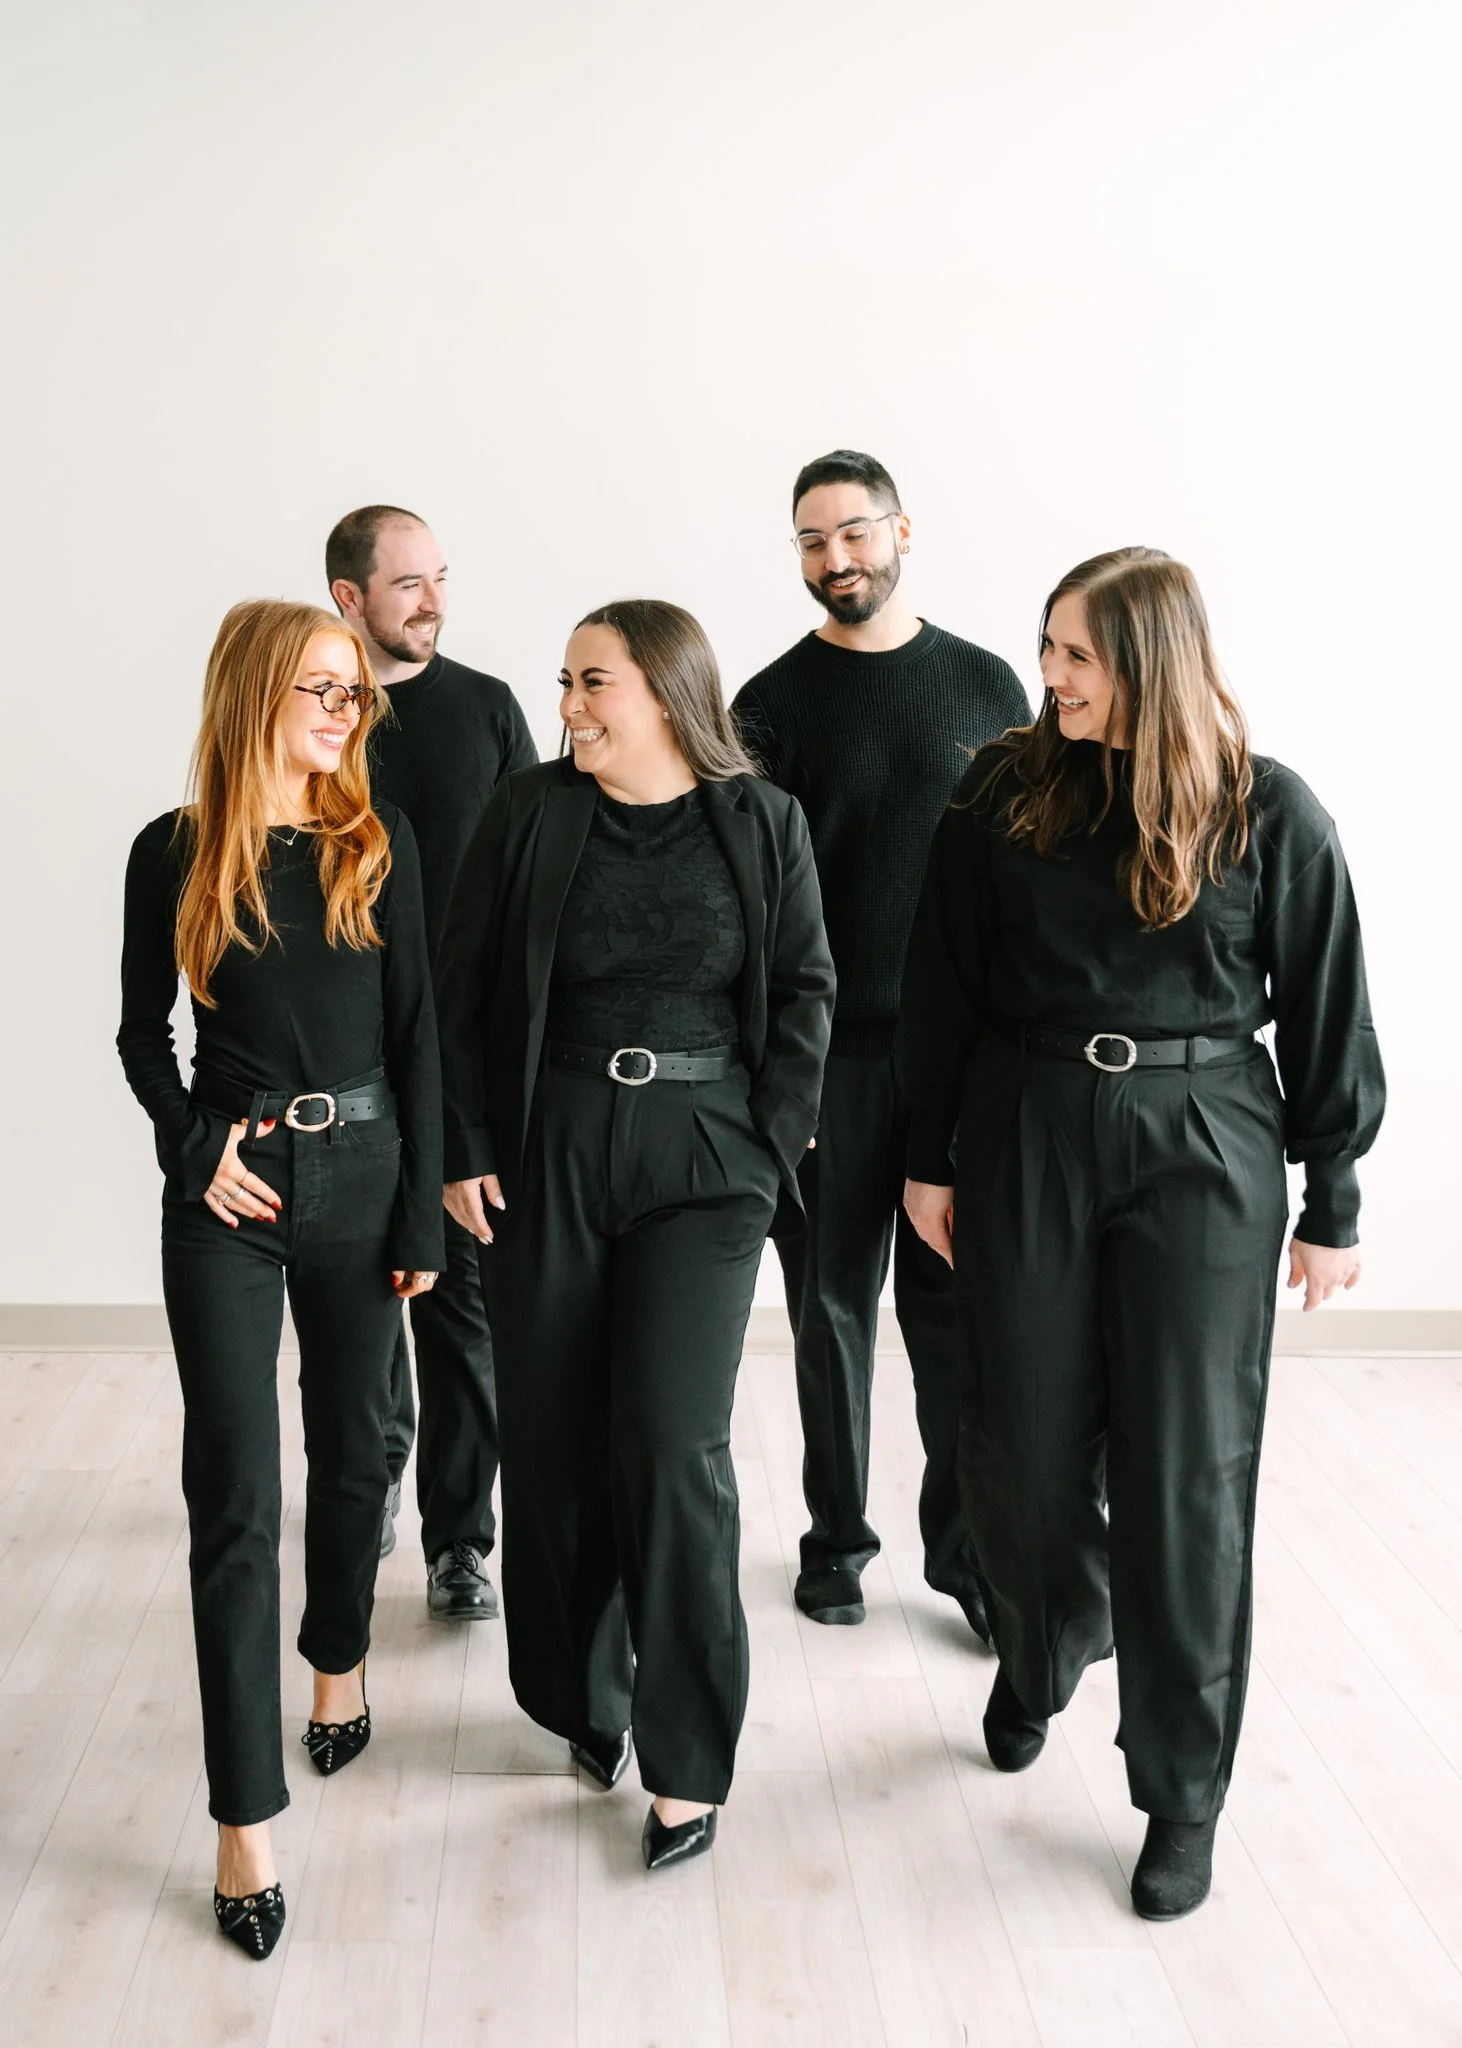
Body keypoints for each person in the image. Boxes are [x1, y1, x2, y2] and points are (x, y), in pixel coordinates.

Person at [899, 548, 1384, 1921]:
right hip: (1028, 1124)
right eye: (1045, 647)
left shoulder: (1261, 807)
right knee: (1016, 1443)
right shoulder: (1003, 792)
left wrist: (1332, 1195)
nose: (1047, 677)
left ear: (1151, 663)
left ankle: (1180, 1793)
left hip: (1205, 1141)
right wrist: (926, 1160)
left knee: (1188, 1475)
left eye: (1077, 657)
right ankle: (1048, 1638)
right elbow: (939, 984)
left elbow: (1331, 1003)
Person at [437, 599, 834, 1871]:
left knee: (671, 1445)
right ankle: (586, 1695)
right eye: (564, 681)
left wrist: (768, 1146)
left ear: (666, 689)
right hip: (548, 1141)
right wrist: (463, 1146)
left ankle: (688, 1755)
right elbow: (460, 986)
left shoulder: (761, 821)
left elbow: (807, 988)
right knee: (552, 1443)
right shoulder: (530, 812)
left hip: (706, 1154)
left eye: (592, 681)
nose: (569, 704)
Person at [118, 599, 443, 1958]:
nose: (344, 709)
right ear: (255, 691)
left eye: (353, 692)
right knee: (233, 1494)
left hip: (368, 1182)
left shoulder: (378, 840)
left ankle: (335, 1660)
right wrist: (196, 1152)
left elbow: (419, 1032)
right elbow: (145, 1035)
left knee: (360, 1460)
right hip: (231, 1202)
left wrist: (420, 1215)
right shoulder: (176, 850)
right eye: (321, 685)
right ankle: (242, 1819)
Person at [731, 450, 1029, 1632]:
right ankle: (836, 1538)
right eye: (811, 541)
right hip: (829, 1064)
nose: (834, 559)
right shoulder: (770, 702)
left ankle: (961, 1557)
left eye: (852, 532)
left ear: (901, 529)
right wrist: (777, 1071)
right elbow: (753, 909)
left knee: (952, 1318)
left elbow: (1024, 872)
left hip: (960, 1062)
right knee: (828, 1312)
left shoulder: (987, 683)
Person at [327, 505, 537, 1620]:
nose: (433, 600)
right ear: (348, 598)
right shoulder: (313, 717)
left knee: (461, 1305)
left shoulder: (488, 710)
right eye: (407, 582)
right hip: (343, 1061)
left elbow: (537, 877)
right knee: (367, 1294)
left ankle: (463, 1537)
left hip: (461, 1062)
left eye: (439, 578)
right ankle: (369, 1491)